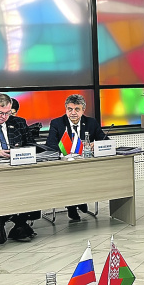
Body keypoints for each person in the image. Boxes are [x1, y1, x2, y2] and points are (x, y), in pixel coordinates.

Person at [0, 93, 38, 244]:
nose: (4, 117)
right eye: (0, 113)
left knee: (33, 183)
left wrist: (19, 152)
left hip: (17, 169)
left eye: (7, 113)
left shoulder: (19, 122)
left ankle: (19, 222)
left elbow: (31, 145)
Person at [46, 94, 107, 222]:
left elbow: (105, 140)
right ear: (66, 109)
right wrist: (63, 151)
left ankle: (80, 200)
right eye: (70, 109)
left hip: (86, 165)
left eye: (77, 109)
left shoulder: (91, 122)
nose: (73, 113)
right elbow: (50, 145)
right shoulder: (57, 123)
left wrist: (95, 144)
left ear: (83, 110)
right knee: (70, 175)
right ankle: (72, 205)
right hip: (65, 165)